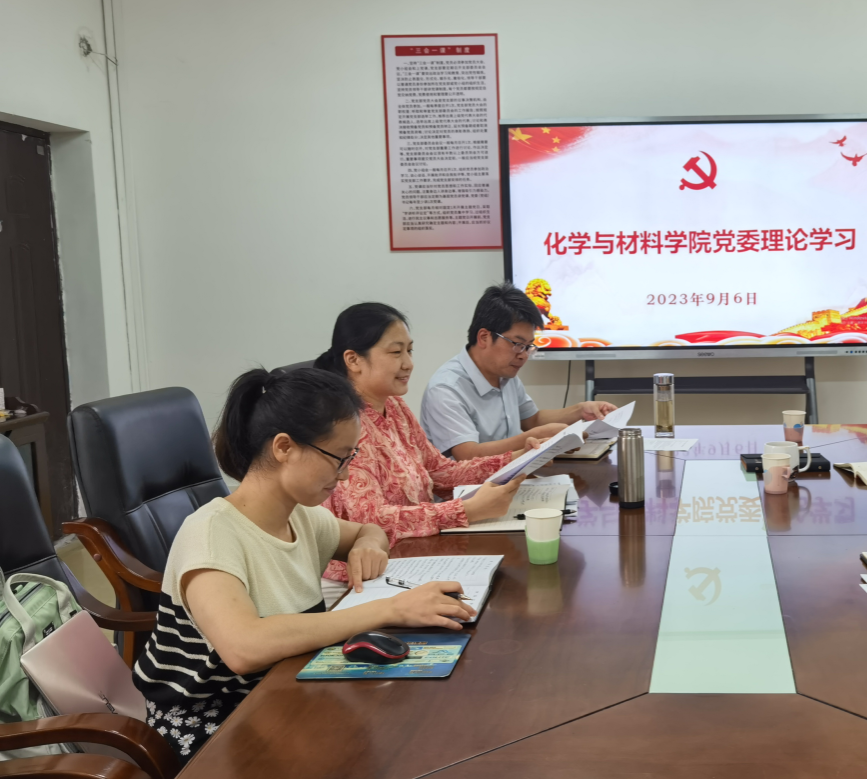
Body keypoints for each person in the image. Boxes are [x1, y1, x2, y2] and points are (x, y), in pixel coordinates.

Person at [133, 368, 476, 763]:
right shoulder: (211, 533)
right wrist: (390, 609)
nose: (345, 474)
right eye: (339, 458)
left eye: (351, 457)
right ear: (284, 447)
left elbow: (369, 530)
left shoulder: (301, 517)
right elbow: (244, 647)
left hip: (283, 688)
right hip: (211, 721)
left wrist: (368, 545)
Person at [313, 303, 539, 604]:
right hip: (358, 580)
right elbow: (371, 522)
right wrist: (466, 510)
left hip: (413, 554)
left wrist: (514, 458)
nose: (408, 363)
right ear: (353, 360)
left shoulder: (393, 405)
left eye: (410, 351)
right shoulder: (345, 424)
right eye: (396, 352)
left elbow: (440, 472)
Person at [421, 282, 616, 459]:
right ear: (484, 337)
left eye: (528, 346)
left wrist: (581, 410)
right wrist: (535, 436)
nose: (523, 355)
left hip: (513, 476)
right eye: (517, 344)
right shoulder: (446, 389)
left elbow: (532, 420)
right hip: (471, 486)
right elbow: (468, 455)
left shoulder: (505, 373)